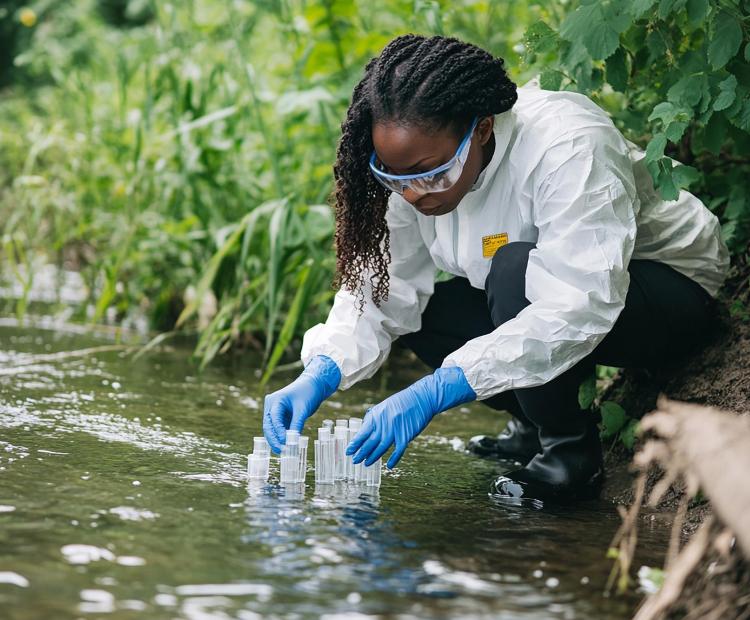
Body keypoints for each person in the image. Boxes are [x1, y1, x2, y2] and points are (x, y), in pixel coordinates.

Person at [262, 34, 729, 504]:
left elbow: (580, 302)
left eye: (431, 173)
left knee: (513, 269)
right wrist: (320, 371)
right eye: (395, 180)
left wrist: (438, 389)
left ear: (482, 128)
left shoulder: (567, 146)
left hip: (670, 291)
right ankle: (532, 423)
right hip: (545, 291)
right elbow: (384, 288)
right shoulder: (411, 174)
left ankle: (568, 457)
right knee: (429, 317)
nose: (414, 195)